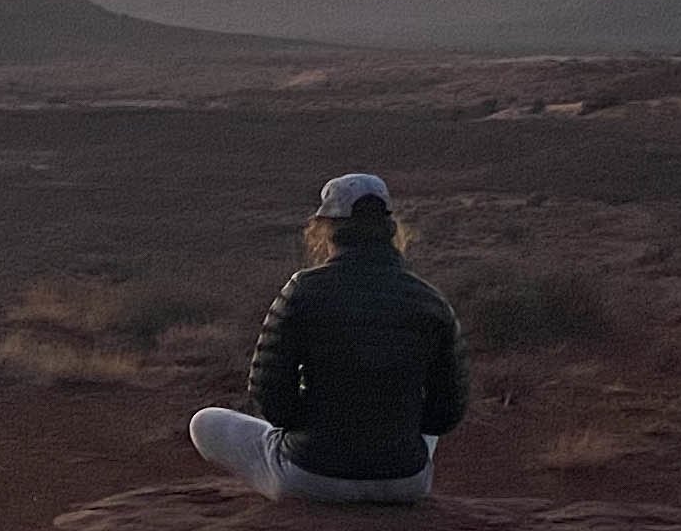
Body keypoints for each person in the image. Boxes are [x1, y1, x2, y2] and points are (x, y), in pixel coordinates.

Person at [188, 170, 470, 504]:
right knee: (415, 425)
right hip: (405, 482)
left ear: (326, 228)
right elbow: (447, 413)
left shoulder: (302, 290)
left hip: (311, 477)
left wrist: (315, 426)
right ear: (390, 229)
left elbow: (272, 400)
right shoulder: (431, 300)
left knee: (204, 423)